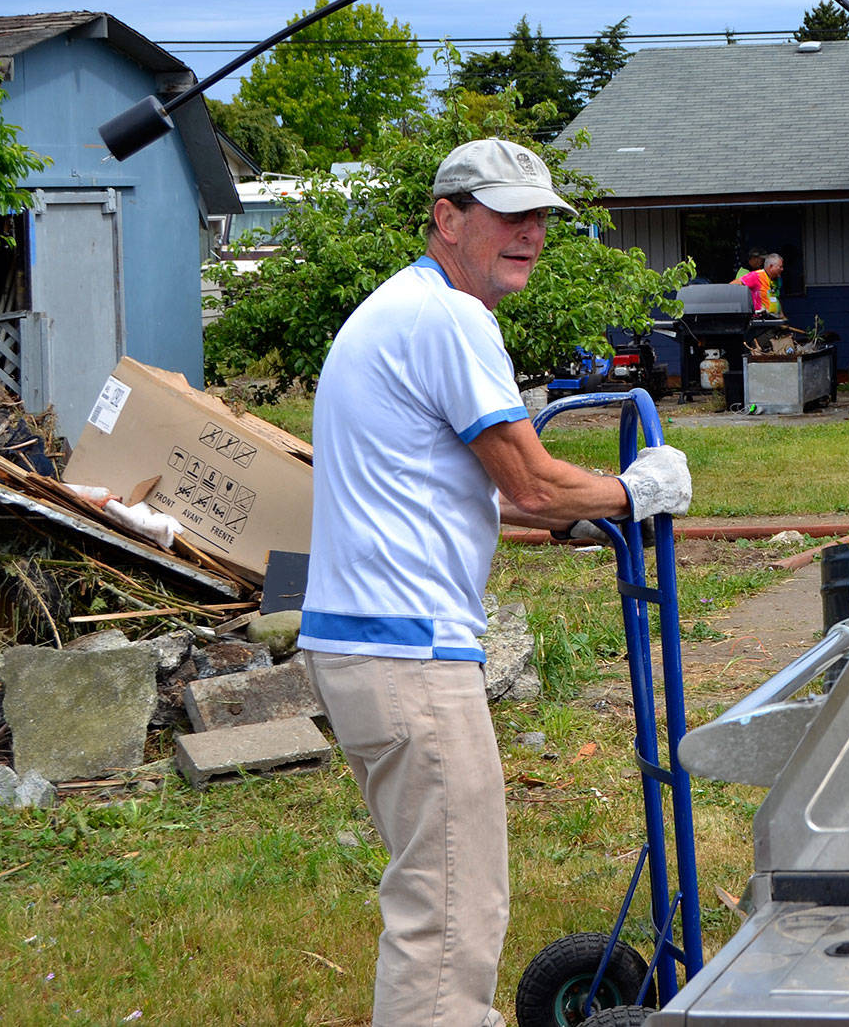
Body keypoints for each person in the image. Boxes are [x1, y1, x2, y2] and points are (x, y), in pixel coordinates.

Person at [297, 138, 694, 1027]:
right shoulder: (448, 319)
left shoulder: (396, 309)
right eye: (507, 214)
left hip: (360, 645)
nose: (529, 233)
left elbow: (467, 487)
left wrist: (584, 512)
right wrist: (639, 490)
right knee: (451, 914)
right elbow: (531, 481)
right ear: (447, 216)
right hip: (411, 654)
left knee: (432, 890)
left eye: (540, 217)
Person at [734, 251, 784, 315]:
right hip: (759, 318)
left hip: (774, 318)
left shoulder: (777, 280)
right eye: (762, 260)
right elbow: (733, 288)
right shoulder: (754, 275)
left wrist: (782, 316)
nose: (762, 262)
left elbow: (777, 298)